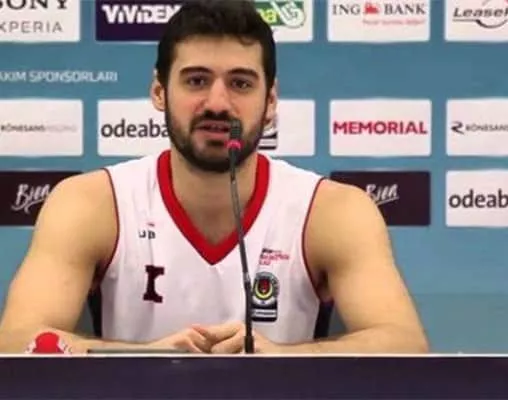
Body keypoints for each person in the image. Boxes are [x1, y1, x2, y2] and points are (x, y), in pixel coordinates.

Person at [0, 0, 428, 354]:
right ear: (159, 92)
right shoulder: (93, 202)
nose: (218, 103)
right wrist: (146, 357)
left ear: (271, 100)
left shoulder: (330, 209)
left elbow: (404, 344)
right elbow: (16, 340)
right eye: (197, 80)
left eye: (240, 84)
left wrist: (282, 358)